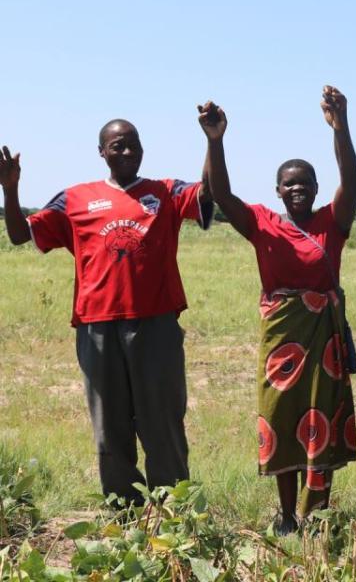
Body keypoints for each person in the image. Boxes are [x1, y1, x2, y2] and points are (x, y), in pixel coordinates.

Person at [0, 121, 212, 504]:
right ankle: (124, 515)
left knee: (162, 423)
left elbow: (210, 192)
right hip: (97, 327)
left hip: (156, 323)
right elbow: (19, 235)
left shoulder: (165, 192)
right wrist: (10, 189)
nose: (128, 152)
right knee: (109, 428)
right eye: (118, 146)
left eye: (134, 145)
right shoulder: (75, 199)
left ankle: (175, 516)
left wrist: (214, 142)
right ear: (101, 152)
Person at [197, 87, 356, 534]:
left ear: (316, 189)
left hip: (323, 341)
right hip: (281, 341)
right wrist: (216, 139)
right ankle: (287, 516)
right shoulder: (262, 222)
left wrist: (340, 126)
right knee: (282, 419)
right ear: (277, 190)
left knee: (320, 422)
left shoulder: (333, 221)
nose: (297, 190)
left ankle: (318, 516)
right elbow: (220, 193)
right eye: (289, 184)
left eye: (305, 183)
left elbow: (352, 174)